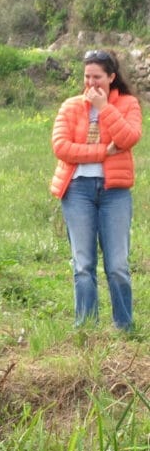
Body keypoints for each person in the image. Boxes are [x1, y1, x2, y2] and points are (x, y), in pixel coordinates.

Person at [50, 49, 142, 330]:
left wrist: (104, 108)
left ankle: (124, 326)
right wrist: (104, 152)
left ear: (111, 77)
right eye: (87, 77)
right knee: (83, 264)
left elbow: (128, 138)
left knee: (117, 265)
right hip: (78, 190)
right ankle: (87, 327)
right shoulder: (70, 106)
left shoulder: (128, 104)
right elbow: (62, 148)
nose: (91, 83)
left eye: (97, 77)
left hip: (115, 192)